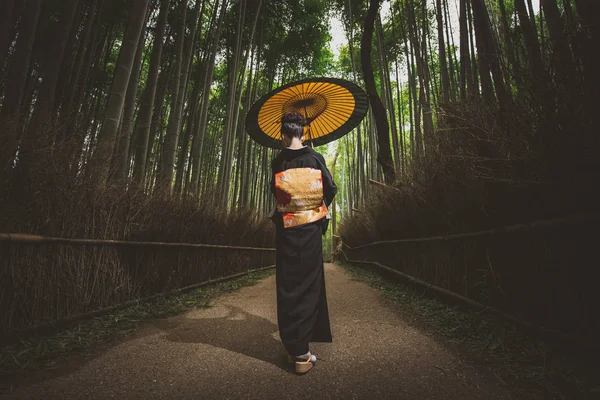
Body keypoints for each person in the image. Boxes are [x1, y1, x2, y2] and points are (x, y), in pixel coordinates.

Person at [270, 111, 337, 374]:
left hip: (287, 230)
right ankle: (302, 353)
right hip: (309, 230)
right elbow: (330, 189)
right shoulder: (315, 158)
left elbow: (275, 193)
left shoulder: (278, 162)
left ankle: (294, 348)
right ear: (304, 132)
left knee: (288, 284)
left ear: (283, 134)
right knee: (309, 284)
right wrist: (314, 207)